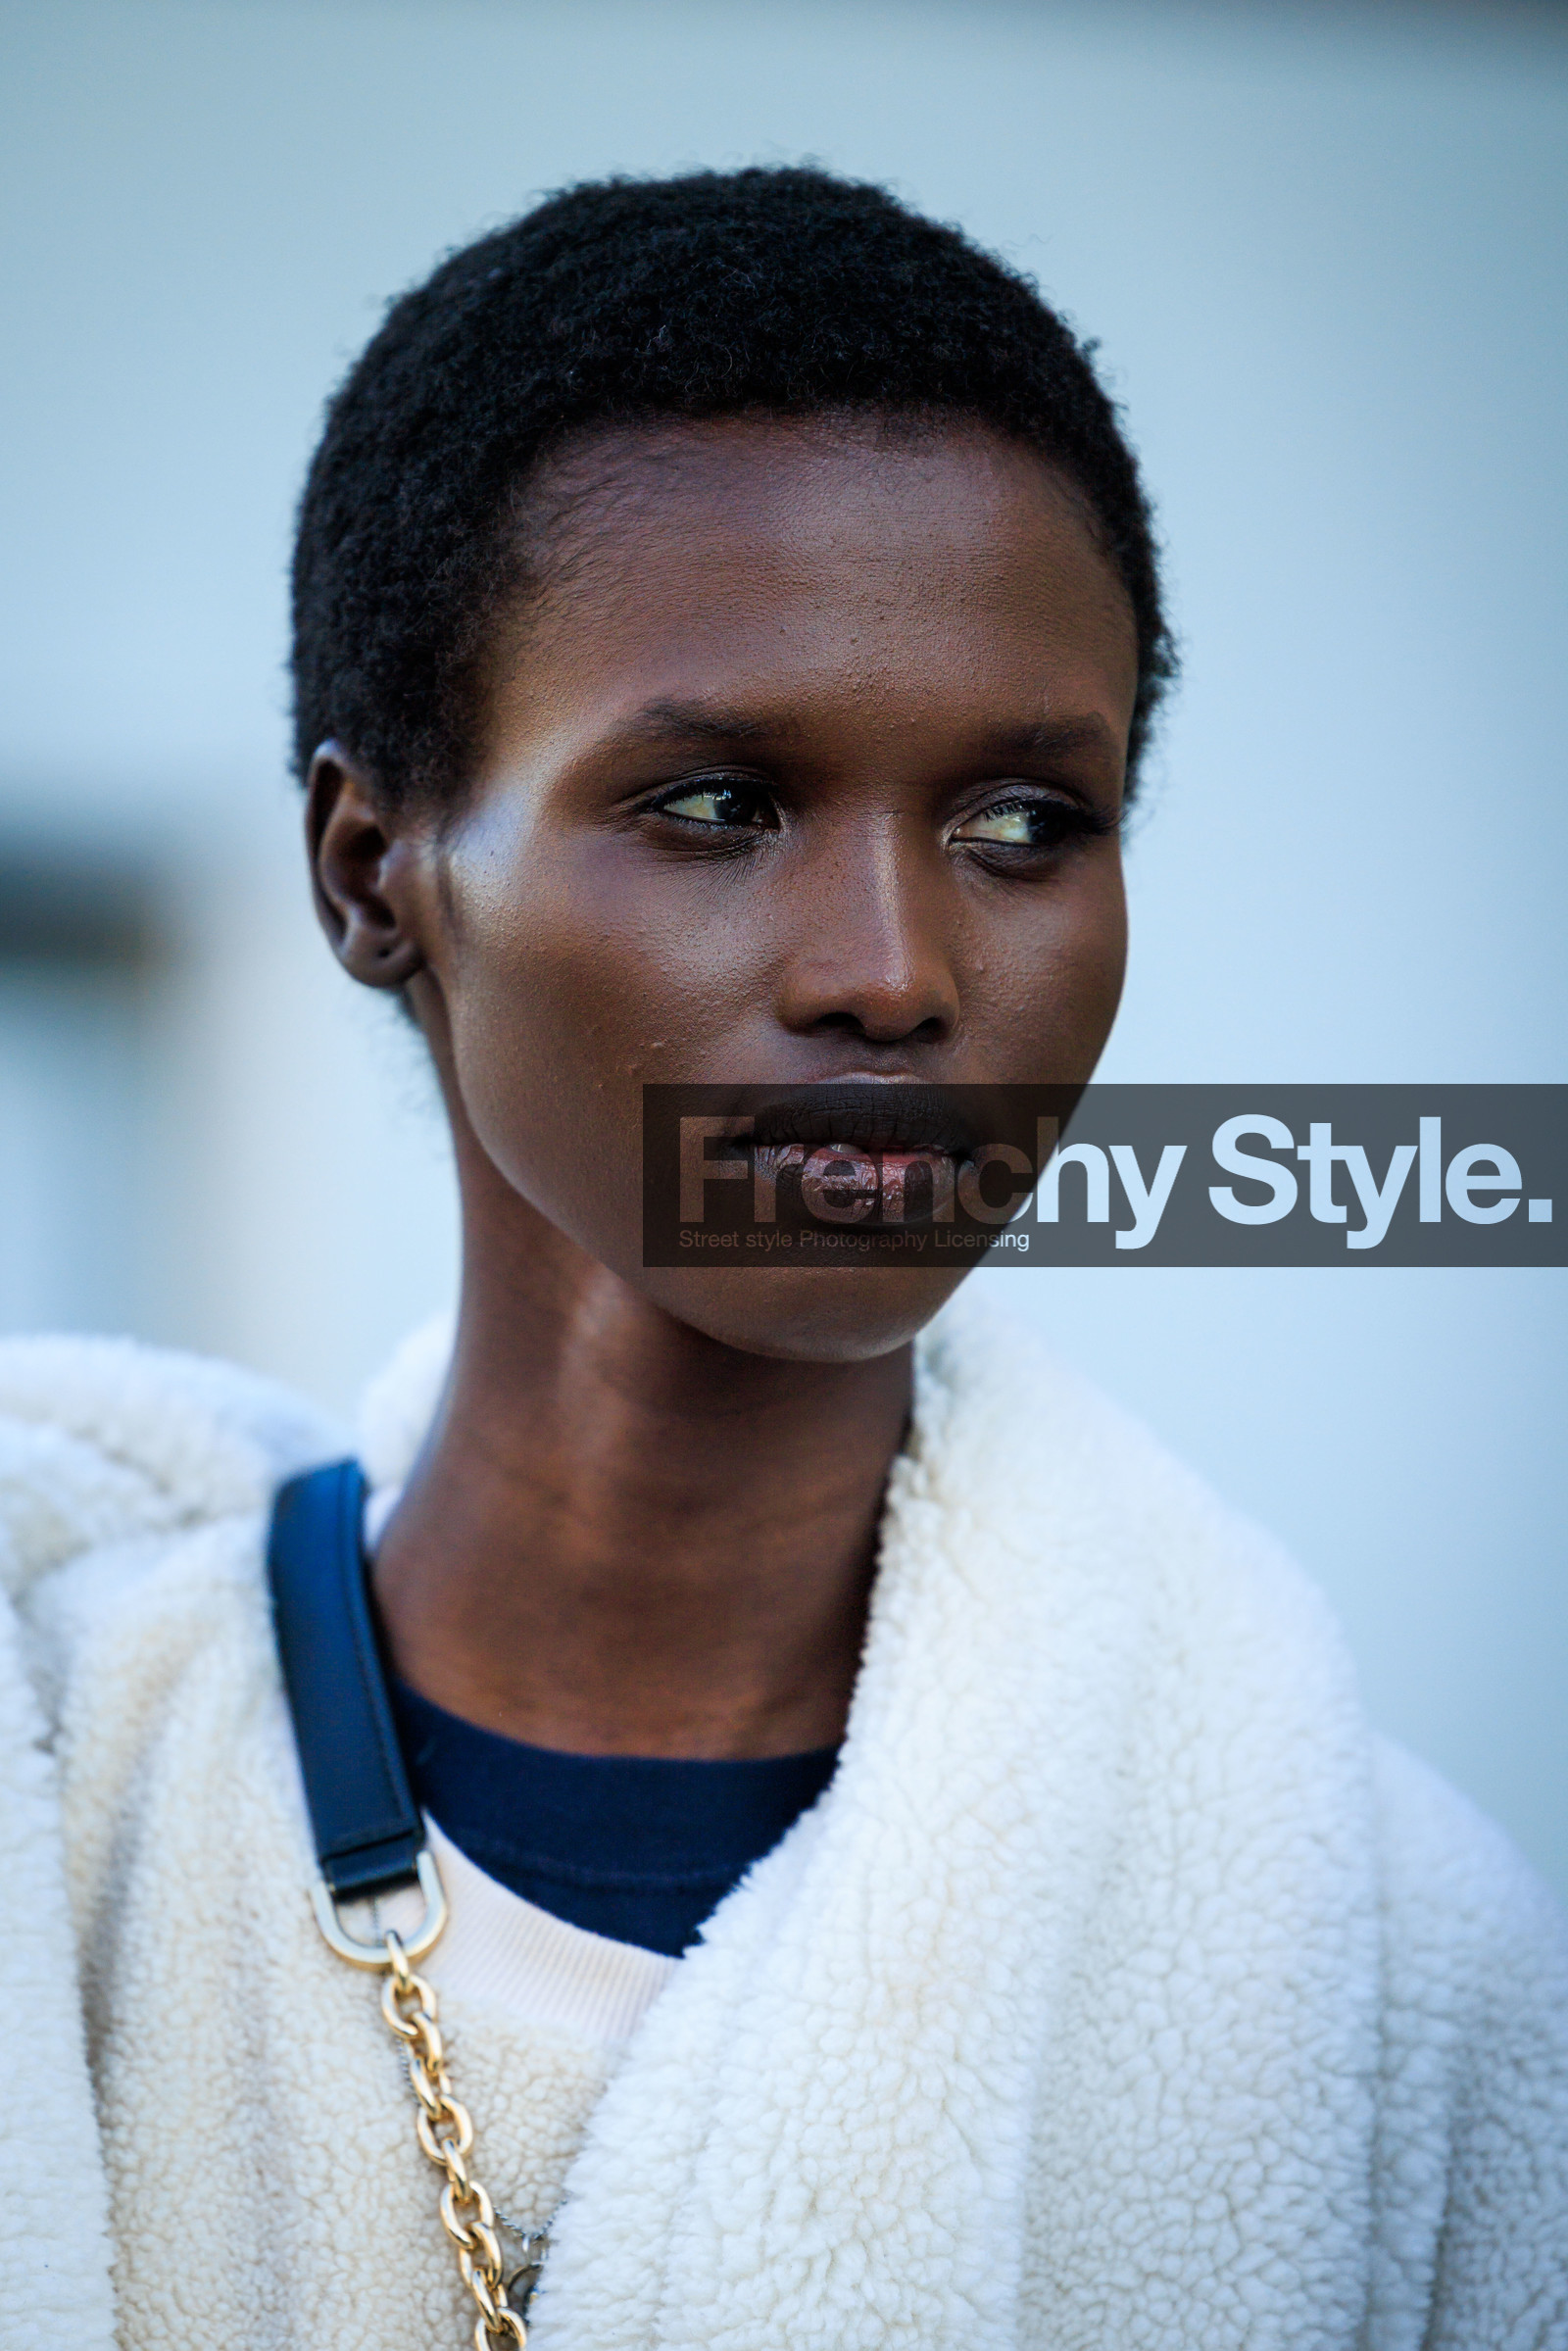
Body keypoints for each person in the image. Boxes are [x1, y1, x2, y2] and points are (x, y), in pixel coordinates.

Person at [2, 167, 1563, 2351]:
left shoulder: (1395, 1988)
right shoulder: (58, 1831)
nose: (892, 973)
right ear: (377, 875)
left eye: (1023, 823)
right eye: (717, 805)